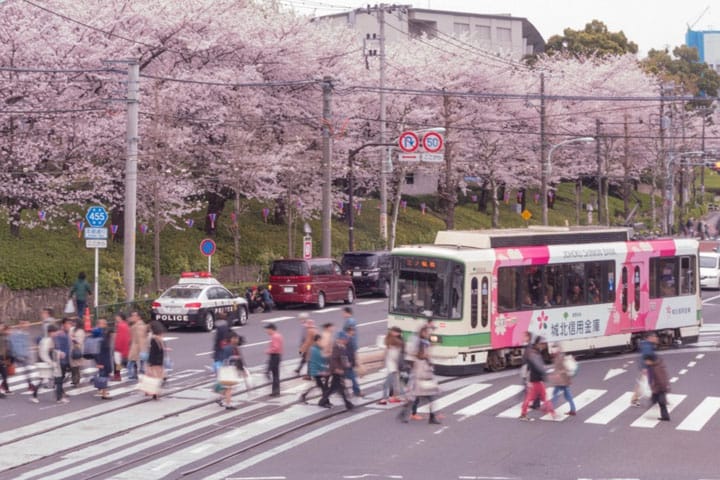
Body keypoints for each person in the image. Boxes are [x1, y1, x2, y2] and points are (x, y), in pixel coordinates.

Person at [398, 325, 441, 425]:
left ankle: (406, 414)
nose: (428, 334)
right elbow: (420, 361)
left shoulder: (423, 344)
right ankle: (406, 414)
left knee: (420, 398)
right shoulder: (421, 346)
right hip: (421, 378)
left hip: (423, 378)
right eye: (426, 332)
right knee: (418, 398)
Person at [519, 336, 557, 421]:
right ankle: (552, 413)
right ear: (538, 344)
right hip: (537, 380)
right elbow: (538, 367)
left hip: (534, 380)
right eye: (542, 344)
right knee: (543, 398)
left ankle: (523, 414)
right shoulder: (534, 353)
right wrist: (545, 375)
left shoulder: (534, 352)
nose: (543, 346)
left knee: (530, 398)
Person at [320, 330, 354, 410]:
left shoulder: (341, 346)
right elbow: (333, 360)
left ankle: (322, 401)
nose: (345, 340)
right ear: (339, 339)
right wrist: (337, 369)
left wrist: (346, 364)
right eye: (343, 339)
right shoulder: (336, 347)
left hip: (339, 371)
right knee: (340, 388)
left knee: (334, 388)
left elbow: (342, 359)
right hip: (336, 371)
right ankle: (348, 404)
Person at [217, 332, 245, 410]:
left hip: (226, 369)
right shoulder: (229, 348)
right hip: (229, 370)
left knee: (228, 387)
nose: (237, 340)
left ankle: (221, 398)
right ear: (232, 339)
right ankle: (228, 404)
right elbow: (226, 359)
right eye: (236, 338)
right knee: (229, 387)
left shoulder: (229, 347)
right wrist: (235, 357)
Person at [300, 334, 330, 404]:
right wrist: (324, 370)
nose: (321, 342)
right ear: (317, 341)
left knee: (320, 386)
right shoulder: (314, 350)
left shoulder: (319, 348)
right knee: (323, 387)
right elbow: (317, 362)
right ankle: (325, 401)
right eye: (320, 341)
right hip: (316, 372)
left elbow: (323, 360)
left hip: (319, 371)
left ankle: (304, 395)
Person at [378, 327, 405, 405]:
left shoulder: (394, 344)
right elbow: (392, 356)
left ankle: (388, 398)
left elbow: (393, 356)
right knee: (392, 383)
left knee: (390, 383)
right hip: (393, 367)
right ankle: (387, 398)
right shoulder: (395, 343)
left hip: (393, 367)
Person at [630, 332, 657, 407]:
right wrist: (645, 368)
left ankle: (635, 399)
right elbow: (646, 357)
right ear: (650, 338)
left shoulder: (647, 345)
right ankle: (634, 399)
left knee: (643, 384)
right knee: (643, 385)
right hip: (647, 369)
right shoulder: (647, 346)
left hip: (646, 368)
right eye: (654, 337)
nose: (656, 338)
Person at [550, 344, 577, 416]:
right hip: (564, 380)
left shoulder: (560, 357)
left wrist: (558, 374)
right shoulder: (559, 356)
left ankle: (550, 409)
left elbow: (565, 368)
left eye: (553, 349)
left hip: (561, 381)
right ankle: (573, 410)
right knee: (568, 395)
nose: (552, 351)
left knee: (555, 394)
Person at [8, 320, 33, 394]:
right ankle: (3, 385)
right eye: (26, 324)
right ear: (21, 324)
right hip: (15, 355)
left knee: (27, 370)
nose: (28, 326)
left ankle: (30, 385)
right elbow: (14, 345)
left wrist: (27, 354)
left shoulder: (26, 333)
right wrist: (18, 355)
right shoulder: (15, 334)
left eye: (28, 324)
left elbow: (25, 345)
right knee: (9, 371)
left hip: (22, 355)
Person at [341, 307, 361, 397]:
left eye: (343, 312)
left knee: (350, 374)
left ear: (347, 312)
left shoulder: (350, 322)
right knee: (348, 374)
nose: (342, 314)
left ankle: (355, 391)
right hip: (349, 352)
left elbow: (346, 336)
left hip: (348, 353)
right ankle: (354, 390)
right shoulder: (350, 321)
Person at [646, 353, 671, 421]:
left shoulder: (656, 368)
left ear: (650, 360)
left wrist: (663, 388)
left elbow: (661, 379)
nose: (646, 362)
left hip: (660, 388)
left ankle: (665, 416)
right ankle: (665, 416)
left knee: (661, 402)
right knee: (661, 402)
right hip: (658, 387)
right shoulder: (654, 366)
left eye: (647, 361)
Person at [92, 318, 112, 400]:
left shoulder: (99, 334)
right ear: (99, 324)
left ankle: (102, 390)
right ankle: (103, 392)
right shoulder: (102, 335)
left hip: (100, 357)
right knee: (103, 374)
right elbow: (104, 347)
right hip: (102, 357)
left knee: (103, 374)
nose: (105, 325)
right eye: (103, 323)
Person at [146, 320, 167, 400]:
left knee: (153, 377)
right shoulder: (160, 339)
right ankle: (156, 392)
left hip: (154, 361)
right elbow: (160, 351)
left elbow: (152, 352)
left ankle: (154, 392)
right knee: (158, 377)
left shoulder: (153, 339)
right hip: (159, 361)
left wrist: (149, 363)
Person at [127, 311, 148, 380]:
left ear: (138, 317)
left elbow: (139, 339)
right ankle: (135, 374)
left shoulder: (138, 326)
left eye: (134, 316)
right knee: (137, 363)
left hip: (136, 348)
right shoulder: (138, 325)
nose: (132, 317)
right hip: (139, 348)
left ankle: (132, 375)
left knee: (131, 363)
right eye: (132, 316)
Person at [264, 323, 283, 397]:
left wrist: (268, 351)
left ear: (271, 329)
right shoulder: (278, 335)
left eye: (267, 330)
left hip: (274, 356)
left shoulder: (274, 337)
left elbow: (276, 348)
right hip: (277, 356)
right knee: (276, 374)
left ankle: (275, 391)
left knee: (274, 374)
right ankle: (276, 390)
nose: (266, 331)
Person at [296, 314, 317, 379]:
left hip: (310, 349)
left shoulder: (309, 330)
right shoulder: (315, 330)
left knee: (309, 361)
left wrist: (301, 350)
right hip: (314, 348)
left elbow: (307, 341)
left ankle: (309, 375)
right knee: (310, 361)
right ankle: (310, 374)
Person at [113, 312, 131, 381]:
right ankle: (118, 375)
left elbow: (120, 338)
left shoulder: (120, 325)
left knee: (117, 362)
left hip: (119, 347)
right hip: (124, 347)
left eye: (117, 316)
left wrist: (117, 347)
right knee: (120, 362)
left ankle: (117, 375)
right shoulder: (125, 325)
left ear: (120, 317)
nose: (116, 318)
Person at [69, 317, 86, 386]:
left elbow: (79, 341)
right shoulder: (72, 329)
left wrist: (73, 338)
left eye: (75, 322)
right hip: (72, 349)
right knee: (73, 366)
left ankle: (76, 380)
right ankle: (74, 380)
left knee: (76, 367)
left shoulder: (81, 331)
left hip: (77, 350)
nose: (73, 323)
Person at [0, 323, 10, 396]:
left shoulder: (4, 336)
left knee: (5, 374)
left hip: (2, 357)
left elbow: (5, 348)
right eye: (1, 326)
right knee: (4, 374)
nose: (2, 327)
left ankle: (5, 389)